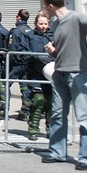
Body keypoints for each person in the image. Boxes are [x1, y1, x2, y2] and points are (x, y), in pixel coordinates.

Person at [40, 0, 87, 170]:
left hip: (79, 74)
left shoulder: (77, 17)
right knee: (57, 115)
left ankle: (86, 158)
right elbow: (65, 47)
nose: (45, 9)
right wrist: (53, 51)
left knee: (84, 117)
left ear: (51, 6)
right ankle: (57, 152)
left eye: (45, 6)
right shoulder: (55, 23)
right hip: (60, 73)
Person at [27, 12, 54, 141]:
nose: (43, 26)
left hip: (52, 74)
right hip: (36, 74)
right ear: (35, 24)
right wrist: (37, 57)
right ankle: (33, 128)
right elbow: (25, 52)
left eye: (45, 24)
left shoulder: (53, 35)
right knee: (38, 101)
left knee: (51, 102)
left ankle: (51, 129)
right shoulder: (30, 36)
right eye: (40, 24)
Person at [7, 9, 34, 120]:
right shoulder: (30, 30)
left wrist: (9, 63)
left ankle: (2, 110)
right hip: (27, 62)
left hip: (16, 63)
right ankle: (25, 112)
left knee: (4, 85)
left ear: (18, 17)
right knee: (25, 87)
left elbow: (12, 49)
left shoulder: (16, 31)